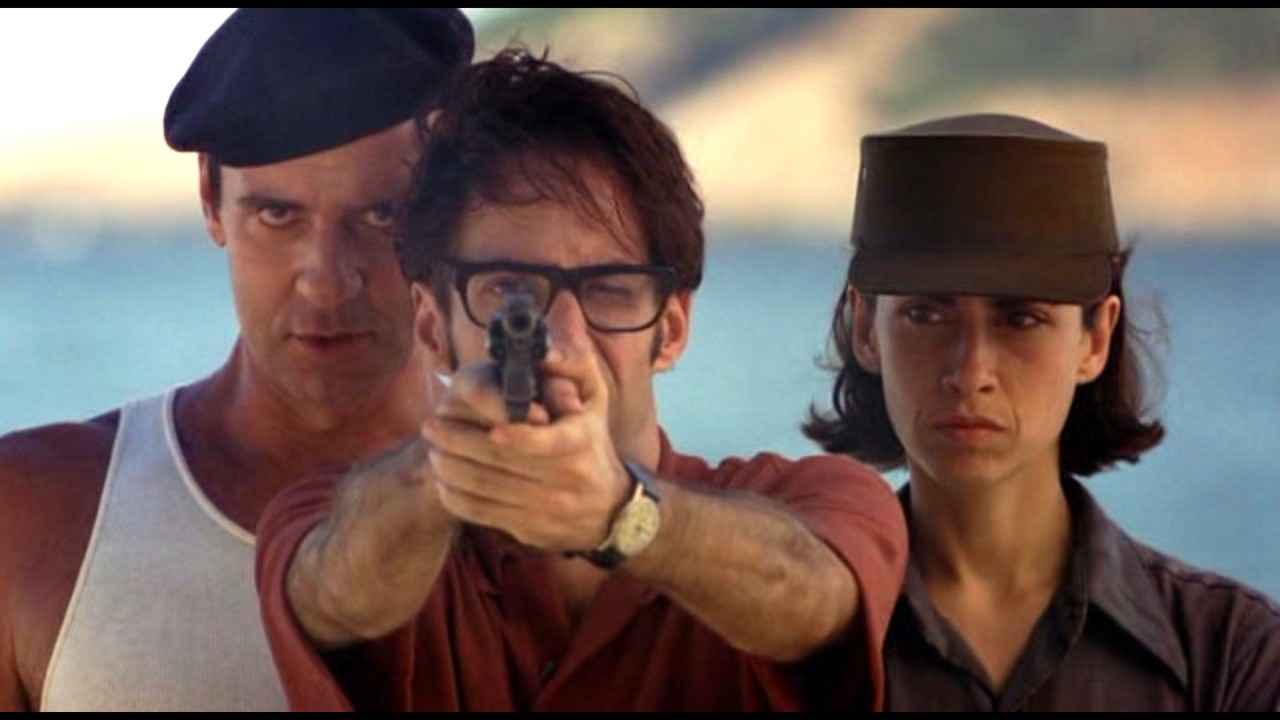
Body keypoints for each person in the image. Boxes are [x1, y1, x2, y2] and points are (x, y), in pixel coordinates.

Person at [253, 47, 909, 712]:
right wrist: (448, 468)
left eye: (609, 290)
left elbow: (812, 597)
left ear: (671, 328)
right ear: (431, 326)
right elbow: (333, 589)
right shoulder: (340, 513)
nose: (561, 338)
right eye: (509, 287)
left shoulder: (817, 500)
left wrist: (623, 513)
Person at [0, 9, 474, 712]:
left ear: (454, 213)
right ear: (210, 199)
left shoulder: (556, 515)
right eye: (277, 215)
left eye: (381, 216)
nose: (326, 281)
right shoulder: (39, 512)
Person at [804, 112, 1280, 711]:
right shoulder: (796, 648)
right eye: (926, 314)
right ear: (865, 329)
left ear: (1095, 339)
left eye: (1021, 319)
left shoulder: (1231, 653)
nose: (971, 373)